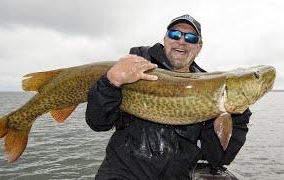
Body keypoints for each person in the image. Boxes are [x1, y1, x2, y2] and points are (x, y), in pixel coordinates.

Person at [85, 14, 251, 180]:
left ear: (199, 47)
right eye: (174, 34)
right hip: (122, 173)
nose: (182, 41)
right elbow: (98, 122)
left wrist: (236, 115)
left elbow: (218, 158)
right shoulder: (133, 68)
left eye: (191, 38)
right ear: (165, 39)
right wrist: (111, 82)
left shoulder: (210, 87)